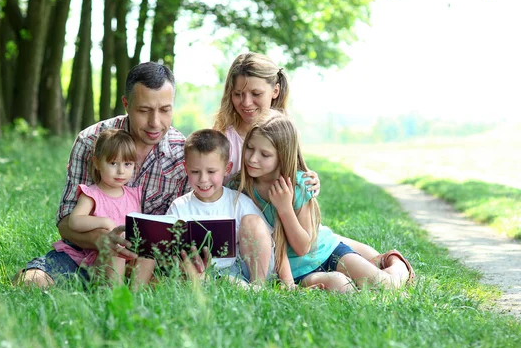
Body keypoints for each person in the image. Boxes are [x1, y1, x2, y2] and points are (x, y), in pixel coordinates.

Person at [212, 52, 412, 277]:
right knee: (323, 249)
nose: (246, 102)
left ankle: (391, 264)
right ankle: (377, 265)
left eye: (256, 93)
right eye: (238, 94)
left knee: (327, 243)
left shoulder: (280, 127)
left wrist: (308, 180)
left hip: (293, 228)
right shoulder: (225, 141)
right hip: (263, 231)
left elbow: (294, 171)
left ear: (274, 90)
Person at [15, 62, 198, 287]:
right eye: (144, 110)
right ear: (126, 104)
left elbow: (188, 225)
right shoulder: (91, 141)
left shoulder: (184, 153)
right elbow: (65, 222)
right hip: (86, 255)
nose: (155, 122)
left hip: (150, 263)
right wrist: (100, 240)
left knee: (188, 284)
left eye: (165, 110)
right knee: (30, 282)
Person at [238, 113, 415, 291]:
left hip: (326, 253)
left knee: (385, 285)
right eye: (250, 148)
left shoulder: (299, 185)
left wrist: (285, 208)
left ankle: (396, 262)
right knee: (342, 287)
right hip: (296, 272)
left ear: (283, 156)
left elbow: (302, 247)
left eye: (265, 154)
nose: (253, 158)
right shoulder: (241, 187)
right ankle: (365, 266)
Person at [166, 129, 294, 287]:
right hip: (200, 274)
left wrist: (288, 281)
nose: (203, 179)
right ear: (186, 168)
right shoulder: (180, 207)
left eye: (211, 171)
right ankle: (239, 287)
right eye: (195, 172)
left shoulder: (238, 201)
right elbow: (169, 251)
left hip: (241, 269)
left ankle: (257, 286)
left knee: (253, 222)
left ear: (227, 169)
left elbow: (271, 240)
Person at [51, 129, 155, 288]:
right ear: (97, 162)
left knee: (148, 256)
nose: (121, 171)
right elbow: (74, 221)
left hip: (129, 256)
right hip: (100, 257)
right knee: (115, 253)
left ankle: (135, 294)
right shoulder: (91, 194)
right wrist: (104, 222)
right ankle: (117, 295)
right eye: (113, 163)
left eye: (127, 164)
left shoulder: (134, 194)